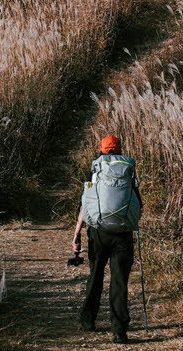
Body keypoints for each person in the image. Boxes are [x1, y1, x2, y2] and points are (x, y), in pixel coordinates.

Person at [72, 135, 142, 344]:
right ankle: (119, 331)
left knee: (95, 275)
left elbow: (86, 204)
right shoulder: (128, 171)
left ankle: (88, 320)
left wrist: (76, 235)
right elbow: (138, 203)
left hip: (99, 232)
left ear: (101, 150)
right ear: (120, 150)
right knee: (119, 282)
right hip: (123, 235)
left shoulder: (95, 171)